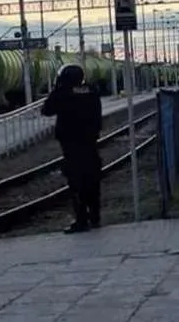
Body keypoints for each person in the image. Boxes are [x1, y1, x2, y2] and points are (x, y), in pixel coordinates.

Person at [41, 64, 103, 234]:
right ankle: (96, 216)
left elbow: (46, 110)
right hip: (90, 142)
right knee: (93, 179)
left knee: (77, 182)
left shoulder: (62, 93)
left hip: (71, 145)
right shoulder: (92, 90)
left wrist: (55, 89)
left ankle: (81, 219)